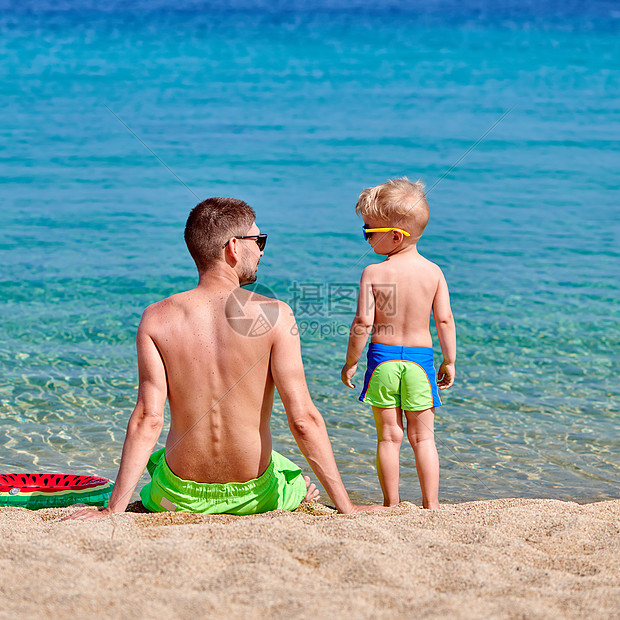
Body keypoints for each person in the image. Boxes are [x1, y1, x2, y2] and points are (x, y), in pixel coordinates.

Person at [67, 197, 385, 519]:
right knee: (292, 476)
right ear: (233, 247)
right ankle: (300, 490)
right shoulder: (276, 315)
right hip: (255, 497)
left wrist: (113, 510)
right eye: (259, 241)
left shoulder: (156, 319)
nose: (261, 251)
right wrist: (348, 508)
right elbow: (303, 420)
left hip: (179, 497)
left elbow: (148, 418)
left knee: (161, 460)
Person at [340, 178, 456, 510]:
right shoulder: (434, 272)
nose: (365, 236)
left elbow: (362, 323)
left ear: (394, 235)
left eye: (368, 231)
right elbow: (444, 321)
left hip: (383, 361)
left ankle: (392, 504)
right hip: (420, 361)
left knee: (389, 437)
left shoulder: (374, 273)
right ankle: (431, 505)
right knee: (424, 438)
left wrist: (351, 363)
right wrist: (449, 361)